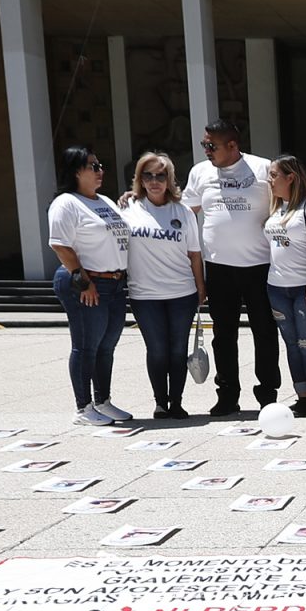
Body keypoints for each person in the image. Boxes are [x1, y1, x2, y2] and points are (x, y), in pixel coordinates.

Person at [183, 119, 277, 418]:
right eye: (204, 145)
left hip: (260, 266)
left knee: (264, 332)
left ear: (233, 146)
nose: (206, 151)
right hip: (219, 267)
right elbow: (183, 209)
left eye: (212, 146)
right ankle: (227, 395)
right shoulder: (200, 172)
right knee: (223, 335)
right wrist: (139, 199)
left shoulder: (263, 168)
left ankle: (267, 394)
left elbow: (291, 195)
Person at [118, 150, 204, 421]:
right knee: (156, 350)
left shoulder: (183, 212)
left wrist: (201, 288)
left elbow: (194, 254)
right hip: (145, 295)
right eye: (148, 175)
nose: (155, 181)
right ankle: (160, 403)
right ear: (140, 179)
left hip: (182, 293)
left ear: (170, 179)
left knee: (178, 350)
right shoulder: (127, 208)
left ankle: (176, 402)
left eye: (160, 175)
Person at [48, 145, 132, 424]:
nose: (100, 171)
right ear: (76, 172)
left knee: (106, 345)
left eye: (100, 165)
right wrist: (84, 283)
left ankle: (103, 401)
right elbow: (61, 246)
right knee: (86, 346)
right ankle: (83, 407)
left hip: (115, 283)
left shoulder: (104, 201)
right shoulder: (66, 203)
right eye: (93, 167)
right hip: (87, 281)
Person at [262, 153, 306, 412]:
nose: (269, 180)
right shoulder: (274, 208)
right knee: (291, 344)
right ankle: (302, 398)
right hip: (277, 287)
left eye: (274, 175)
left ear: (290, 177)